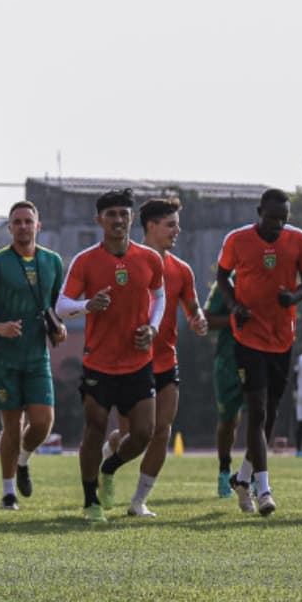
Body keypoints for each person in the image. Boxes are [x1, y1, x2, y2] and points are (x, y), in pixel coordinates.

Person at [55, 188, 165, 522]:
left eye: (123, 214)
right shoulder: (85, 260)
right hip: (98, 363)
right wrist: (88, 305)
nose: (118, 220)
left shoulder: (150, 259)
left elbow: (160, 297)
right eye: (111, 214)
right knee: (95, 428)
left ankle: (109, 467)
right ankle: (91, 501)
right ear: (99, 220)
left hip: (138, 362)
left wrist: (153, 328)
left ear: (132, 218)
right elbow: (61, 307)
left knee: (144, 433)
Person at [103, 198, 207, 517]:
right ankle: (110, 452)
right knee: (135, 436)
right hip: (130, 363)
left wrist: (198, 319)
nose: (178, 230)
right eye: (171, 225)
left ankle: (139, 501)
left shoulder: (182, 270)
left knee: (162, 430)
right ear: (151, 227)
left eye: (177, 224)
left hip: (165, 361)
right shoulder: (124, 261)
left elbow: (192, 307)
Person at [216, 187, 302, 516]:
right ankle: (264, 490)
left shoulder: (299, 240)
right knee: (257, 412)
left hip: (282, 338)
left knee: (270, 415)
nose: (277, 226)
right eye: (271, 219)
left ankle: (242, 479)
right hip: (248, 337)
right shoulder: (237, 240)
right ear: (259, 212)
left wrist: (294, 297)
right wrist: (234, 306)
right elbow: (222, 276)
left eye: (283, 220)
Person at [0, 200, 66, 511]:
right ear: (9, 228)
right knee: (12, 424)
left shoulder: (52, 262)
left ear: (38, 226)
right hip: (2, 355)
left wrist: (58, 328)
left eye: (28, 221)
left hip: (36, 355)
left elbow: (53, 308)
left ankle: (23, 460)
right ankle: (8, 491)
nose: (23, 226)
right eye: (17, 222)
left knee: (42, 423)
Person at [204, 279, 246, 498]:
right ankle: (224, 471)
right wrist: (233, 319)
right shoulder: (225, 284)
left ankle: (254, 475)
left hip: (260, 355)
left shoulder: (268, 277)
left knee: (260, 415)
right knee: (229, 420)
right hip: (229, 361)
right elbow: (207, 319)